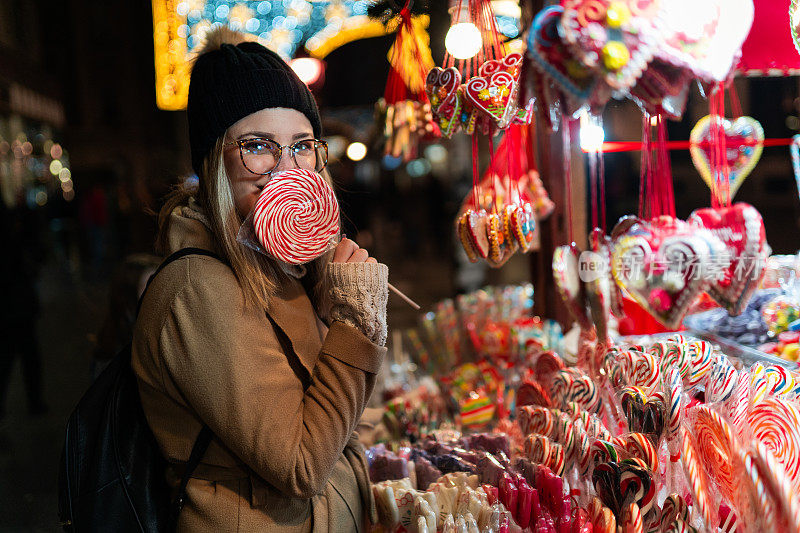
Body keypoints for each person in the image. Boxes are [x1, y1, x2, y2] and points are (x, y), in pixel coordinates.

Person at [132, 27, 388, 531]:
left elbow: (335, 418)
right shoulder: (197, 290)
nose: (286, 169)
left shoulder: (277, 265)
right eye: (257, 146)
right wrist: (357, 319)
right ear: (213, 163)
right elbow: (301, 464)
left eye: (301, 146)